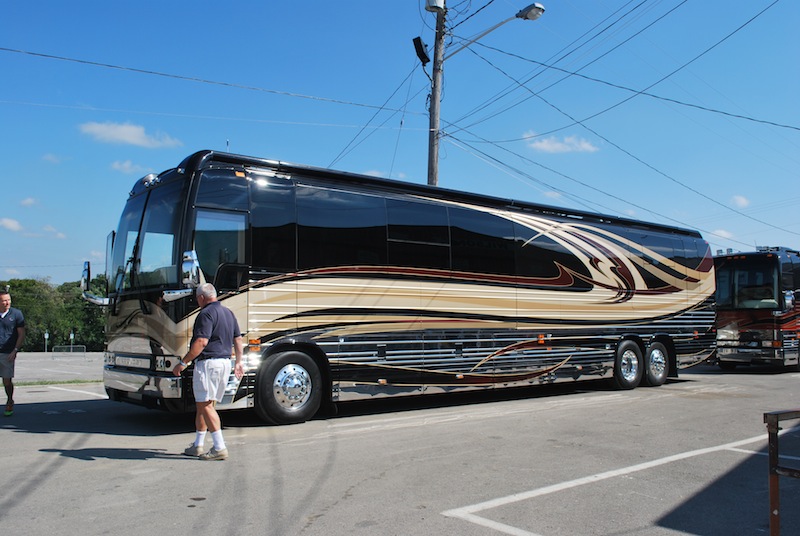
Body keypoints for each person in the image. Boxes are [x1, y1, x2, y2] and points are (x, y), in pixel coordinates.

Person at [172, 283, 244, 460]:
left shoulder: (205, 314)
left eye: (197, 299)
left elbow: (201, 342)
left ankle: (219, 447)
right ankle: (198, 445)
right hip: (225, 362)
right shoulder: (228, 313)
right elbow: (238, 340)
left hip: (209, 363)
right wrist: (239, 362)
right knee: (204, 404)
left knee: (205, 405)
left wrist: (183, 362)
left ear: (201, 298)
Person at [0, 290, 26, 417]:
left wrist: (15, 350)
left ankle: (10, 400)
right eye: (4, 300)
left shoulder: (16, 314)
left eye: (8, 300)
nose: (7, 303)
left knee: (7, 381)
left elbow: (21, 334)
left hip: (7, 353)